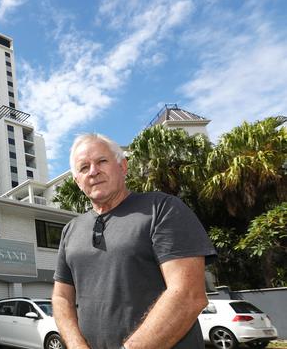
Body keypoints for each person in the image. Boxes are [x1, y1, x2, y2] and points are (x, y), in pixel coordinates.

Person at [52, 133, 217, 349]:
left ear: (122, 166)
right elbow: (61, 297)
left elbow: (188, 295)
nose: (93, 171)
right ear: (77, 181)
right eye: (84, 167)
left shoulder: (163, 208)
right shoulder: (70, 230)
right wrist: (75, 345)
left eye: (102, 161)